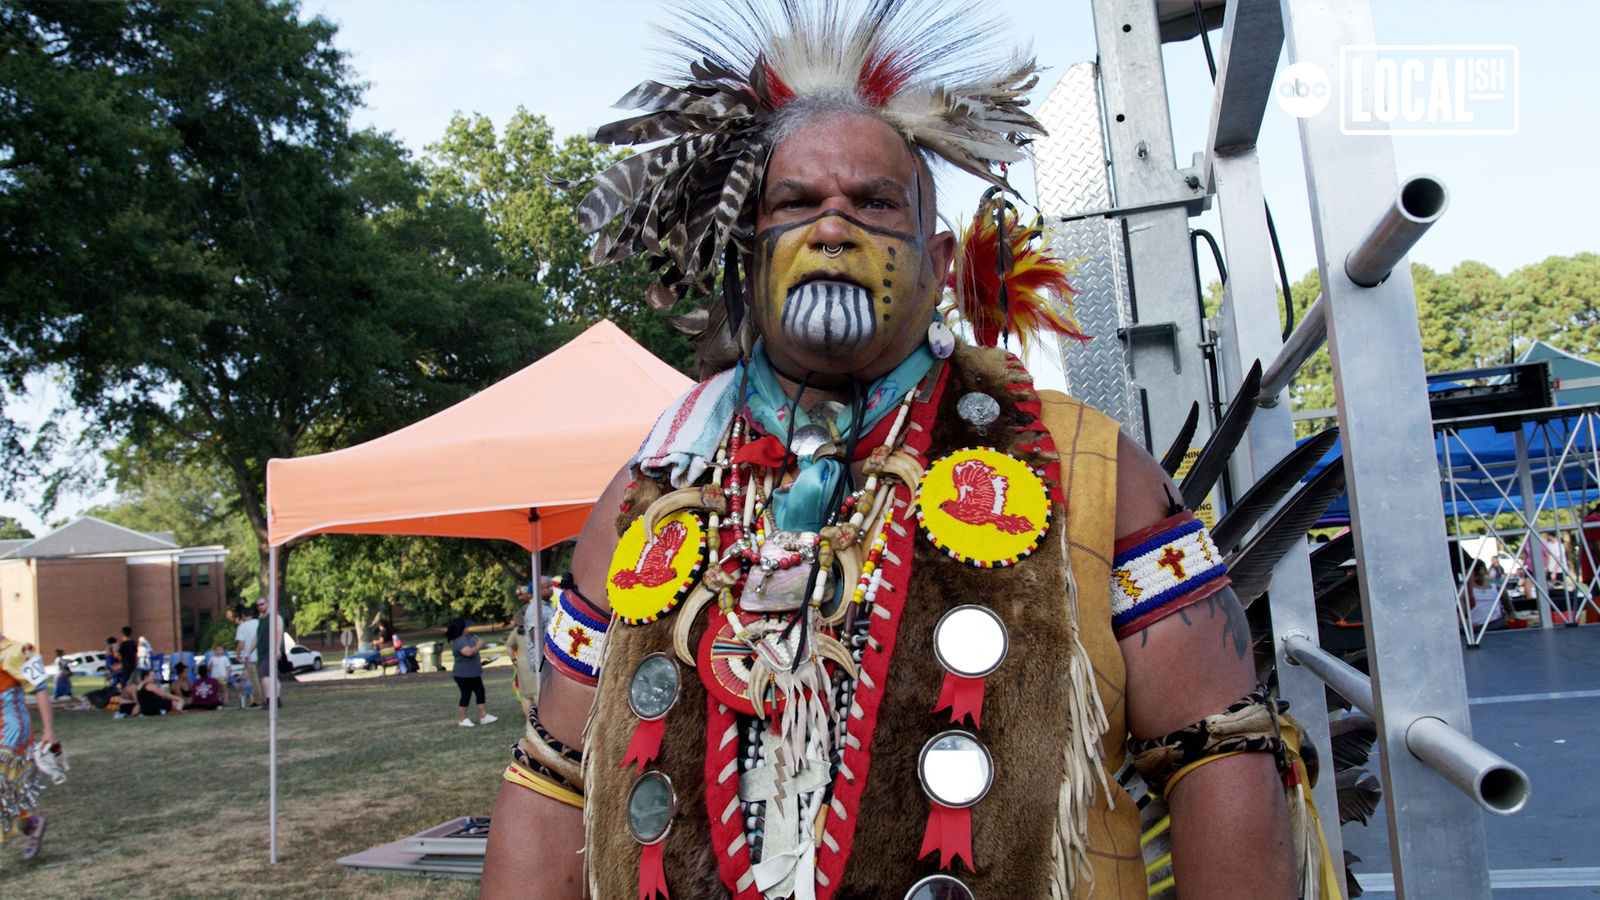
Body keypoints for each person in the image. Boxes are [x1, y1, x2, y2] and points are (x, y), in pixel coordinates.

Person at [481, 5, 1305, 898]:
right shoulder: (651, 492)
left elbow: (1219, 747)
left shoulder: (1088, 466)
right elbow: (554, 777)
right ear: (746, 251)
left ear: (942, 260)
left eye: (874, 202)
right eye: (795, 202)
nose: (833, 228)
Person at [0, 632, 58, 863]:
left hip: (11, 731)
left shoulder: (17, 651)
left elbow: (40, 689)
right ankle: (32, 824)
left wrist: (49, 730)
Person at [445, 618, 496, 728]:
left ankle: (484, 716)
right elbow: (468, 652)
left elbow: (475, 648)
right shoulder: (459, 641)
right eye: (466, 626)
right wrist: (479, 645)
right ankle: (463, 719)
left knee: (480, 692)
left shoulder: (467, 638)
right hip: (463, 674)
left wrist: (483, 645)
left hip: (474, 672)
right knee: (466, 695)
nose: (468, 628)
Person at [252, 598, 285, 709]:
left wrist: (277, 649)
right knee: (272, 677)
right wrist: (248, 652)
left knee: (264, 676)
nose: (260, 606)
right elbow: (257, 637)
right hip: (262, 653)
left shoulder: (275, 617)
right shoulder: (262, 620)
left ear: (268, 604)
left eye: (262, 604)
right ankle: (276, 700)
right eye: (258, 605)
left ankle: (270, 700)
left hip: (270, 653)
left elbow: (279, 631)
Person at [1466, 564, 1508, 633]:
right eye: (1473, 570)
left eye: (1477, 570)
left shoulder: (1498, 588)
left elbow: (1510, 609)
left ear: (1485, 571)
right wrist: (1466, 622)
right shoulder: (1464, 590)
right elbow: (1458, 613)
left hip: (1496, 625)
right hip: (1475, 627)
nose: (1475, 573)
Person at [235, 609, 262, 708]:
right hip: (261, 654)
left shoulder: (242, 627)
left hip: (249, 656)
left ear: (243, 615)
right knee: (263, 677)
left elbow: (240, 644)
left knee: (253, 679)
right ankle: (267, 697)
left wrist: (238, 656)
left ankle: (258, 699)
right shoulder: (259, 623)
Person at [116, 627, 138, 691]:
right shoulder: (134, 643)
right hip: (133, 665)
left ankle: (125, 692)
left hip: (125, 665)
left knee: (125, 680)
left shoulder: (122, 644)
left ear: (122, 635)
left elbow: (117, 655)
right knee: (133, 680)